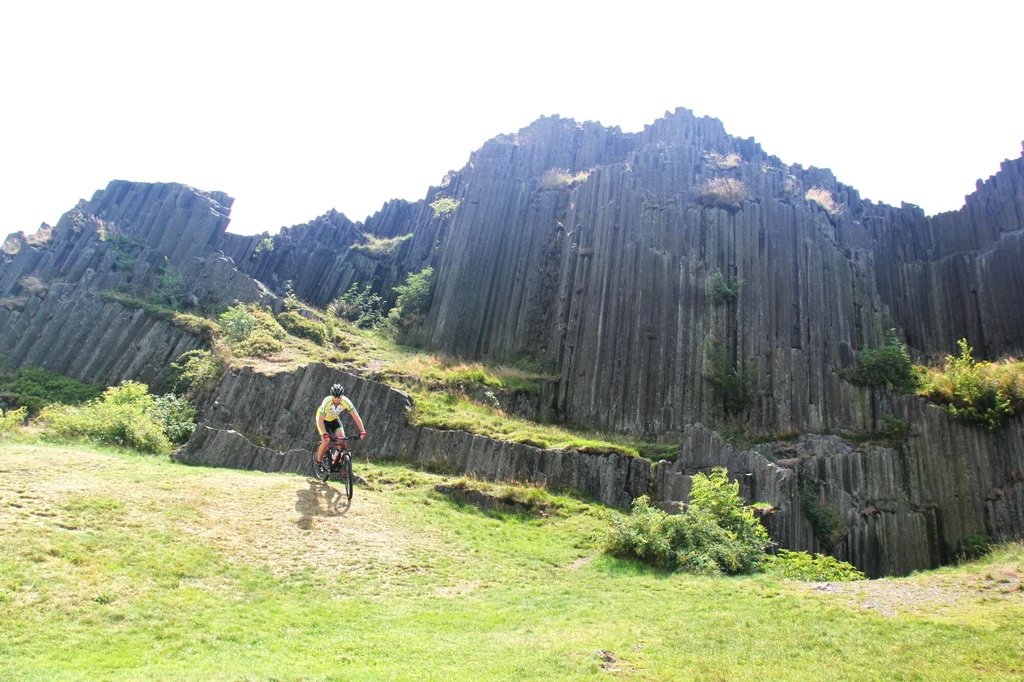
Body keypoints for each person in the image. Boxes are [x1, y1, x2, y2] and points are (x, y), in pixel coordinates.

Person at [314, 383, 366, 476]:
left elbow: (356, 416)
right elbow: (320, 420)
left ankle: (337, 460)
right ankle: (318, 462)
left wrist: (362, 430)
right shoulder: (327, 403)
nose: (337, 399)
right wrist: (325, 433)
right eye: (335, 397)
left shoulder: (346, 402)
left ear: (342, 396)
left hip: (334, 419)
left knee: (342, 439)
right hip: (323, 420)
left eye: (339, 397)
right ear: (332, 396)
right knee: (326, 441)